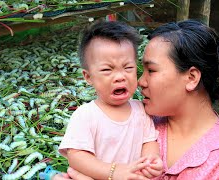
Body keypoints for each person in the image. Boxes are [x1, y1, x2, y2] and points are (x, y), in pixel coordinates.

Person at [54, 19, 219, 179]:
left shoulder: (218, 161)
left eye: (151, 70)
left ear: (191, 77)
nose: (140, 82)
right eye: (107, 70)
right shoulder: (143, 117)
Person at [57, 21, 163, 180]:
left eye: (128, 68)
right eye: (107, 70)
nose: (120, 77)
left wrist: (151, 160)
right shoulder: (86, 115)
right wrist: (113, 171)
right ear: (88, 77)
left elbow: (149, 141)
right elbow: (77, 156)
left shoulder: (141, 110)